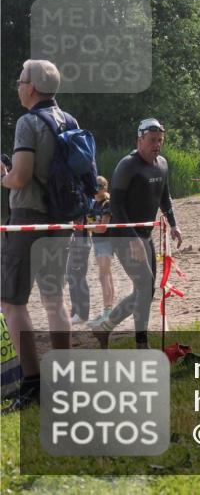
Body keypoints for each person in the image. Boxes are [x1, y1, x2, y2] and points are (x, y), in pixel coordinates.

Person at [0, 60, 76, 412]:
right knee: (54, 301)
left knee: (12, 302)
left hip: (29, 218)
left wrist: (4, 177)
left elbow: (22, 176)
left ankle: (33, 384)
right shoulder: (69, 121)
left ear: (32, 87)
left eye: (20, 81)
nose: (17, 86)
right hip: (62, 219)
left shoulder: (28, 123)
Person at [89, 118, 183, 349]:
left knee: (147, 290)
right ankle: (141, 343)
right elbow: (116, 206)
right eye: (152, 140)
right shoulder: (127, 165)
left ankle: (105, 328)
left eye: (160, 140)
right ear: (139, 140)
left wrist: (173, 224)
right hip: (124, 235)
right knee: (143, 286)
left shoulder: (162, 164)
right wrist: (132, 239)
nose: (156, 145)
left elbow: (165, 197)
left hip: (145, 235)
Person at [66, 175, 113, 325]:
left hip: (101, 242)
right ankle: (106, 311)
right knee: (104, 276)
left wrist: (88, 226)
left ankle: (105, 312)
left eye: (99, 186)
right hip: (95, 242)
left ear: (105, 187)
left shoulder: (105, 203)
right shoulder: (95, 204)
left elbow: (101, 227)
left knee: (103, 276)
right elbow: (93, 224)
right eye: (95, 185)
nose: (96, 188)